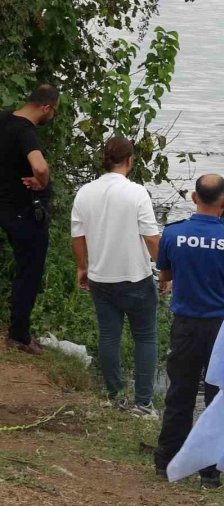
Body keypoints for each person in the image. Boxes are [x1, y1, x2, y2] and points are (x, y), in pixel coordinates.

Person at [153, 174, 224, 489]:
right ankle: (209, 473)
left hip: (185, 326)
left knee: (179, 394)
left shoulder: (173, 234)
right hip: (222, 328)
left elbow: (166, 273)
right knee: (217, 398)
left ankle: (167, 460)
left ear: (194, 198)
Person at [71, 136, 161, 418]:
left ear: (105, 160)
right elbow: (151, 238)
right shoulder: (137, 193)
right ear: (130, 161)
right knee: (145, 338)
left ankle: (113, 395)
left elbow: (78, 235)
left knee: (109, 337)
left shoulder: (85, 192)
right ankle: (143, 403)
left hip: (101, 278)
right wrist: (166, 270)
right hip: (136, 278)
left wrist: (82, 267)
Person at [0, 84, 59, 354]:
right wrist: (42, 182)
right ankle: (19, 334)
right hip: (22, 211)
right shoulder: (26, 132)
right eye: (53, 111)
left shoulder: (4, 119)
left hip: (3, 204)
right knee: (29, 271)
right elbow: (40, 165)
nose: (52, 116)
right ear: (46, 107)